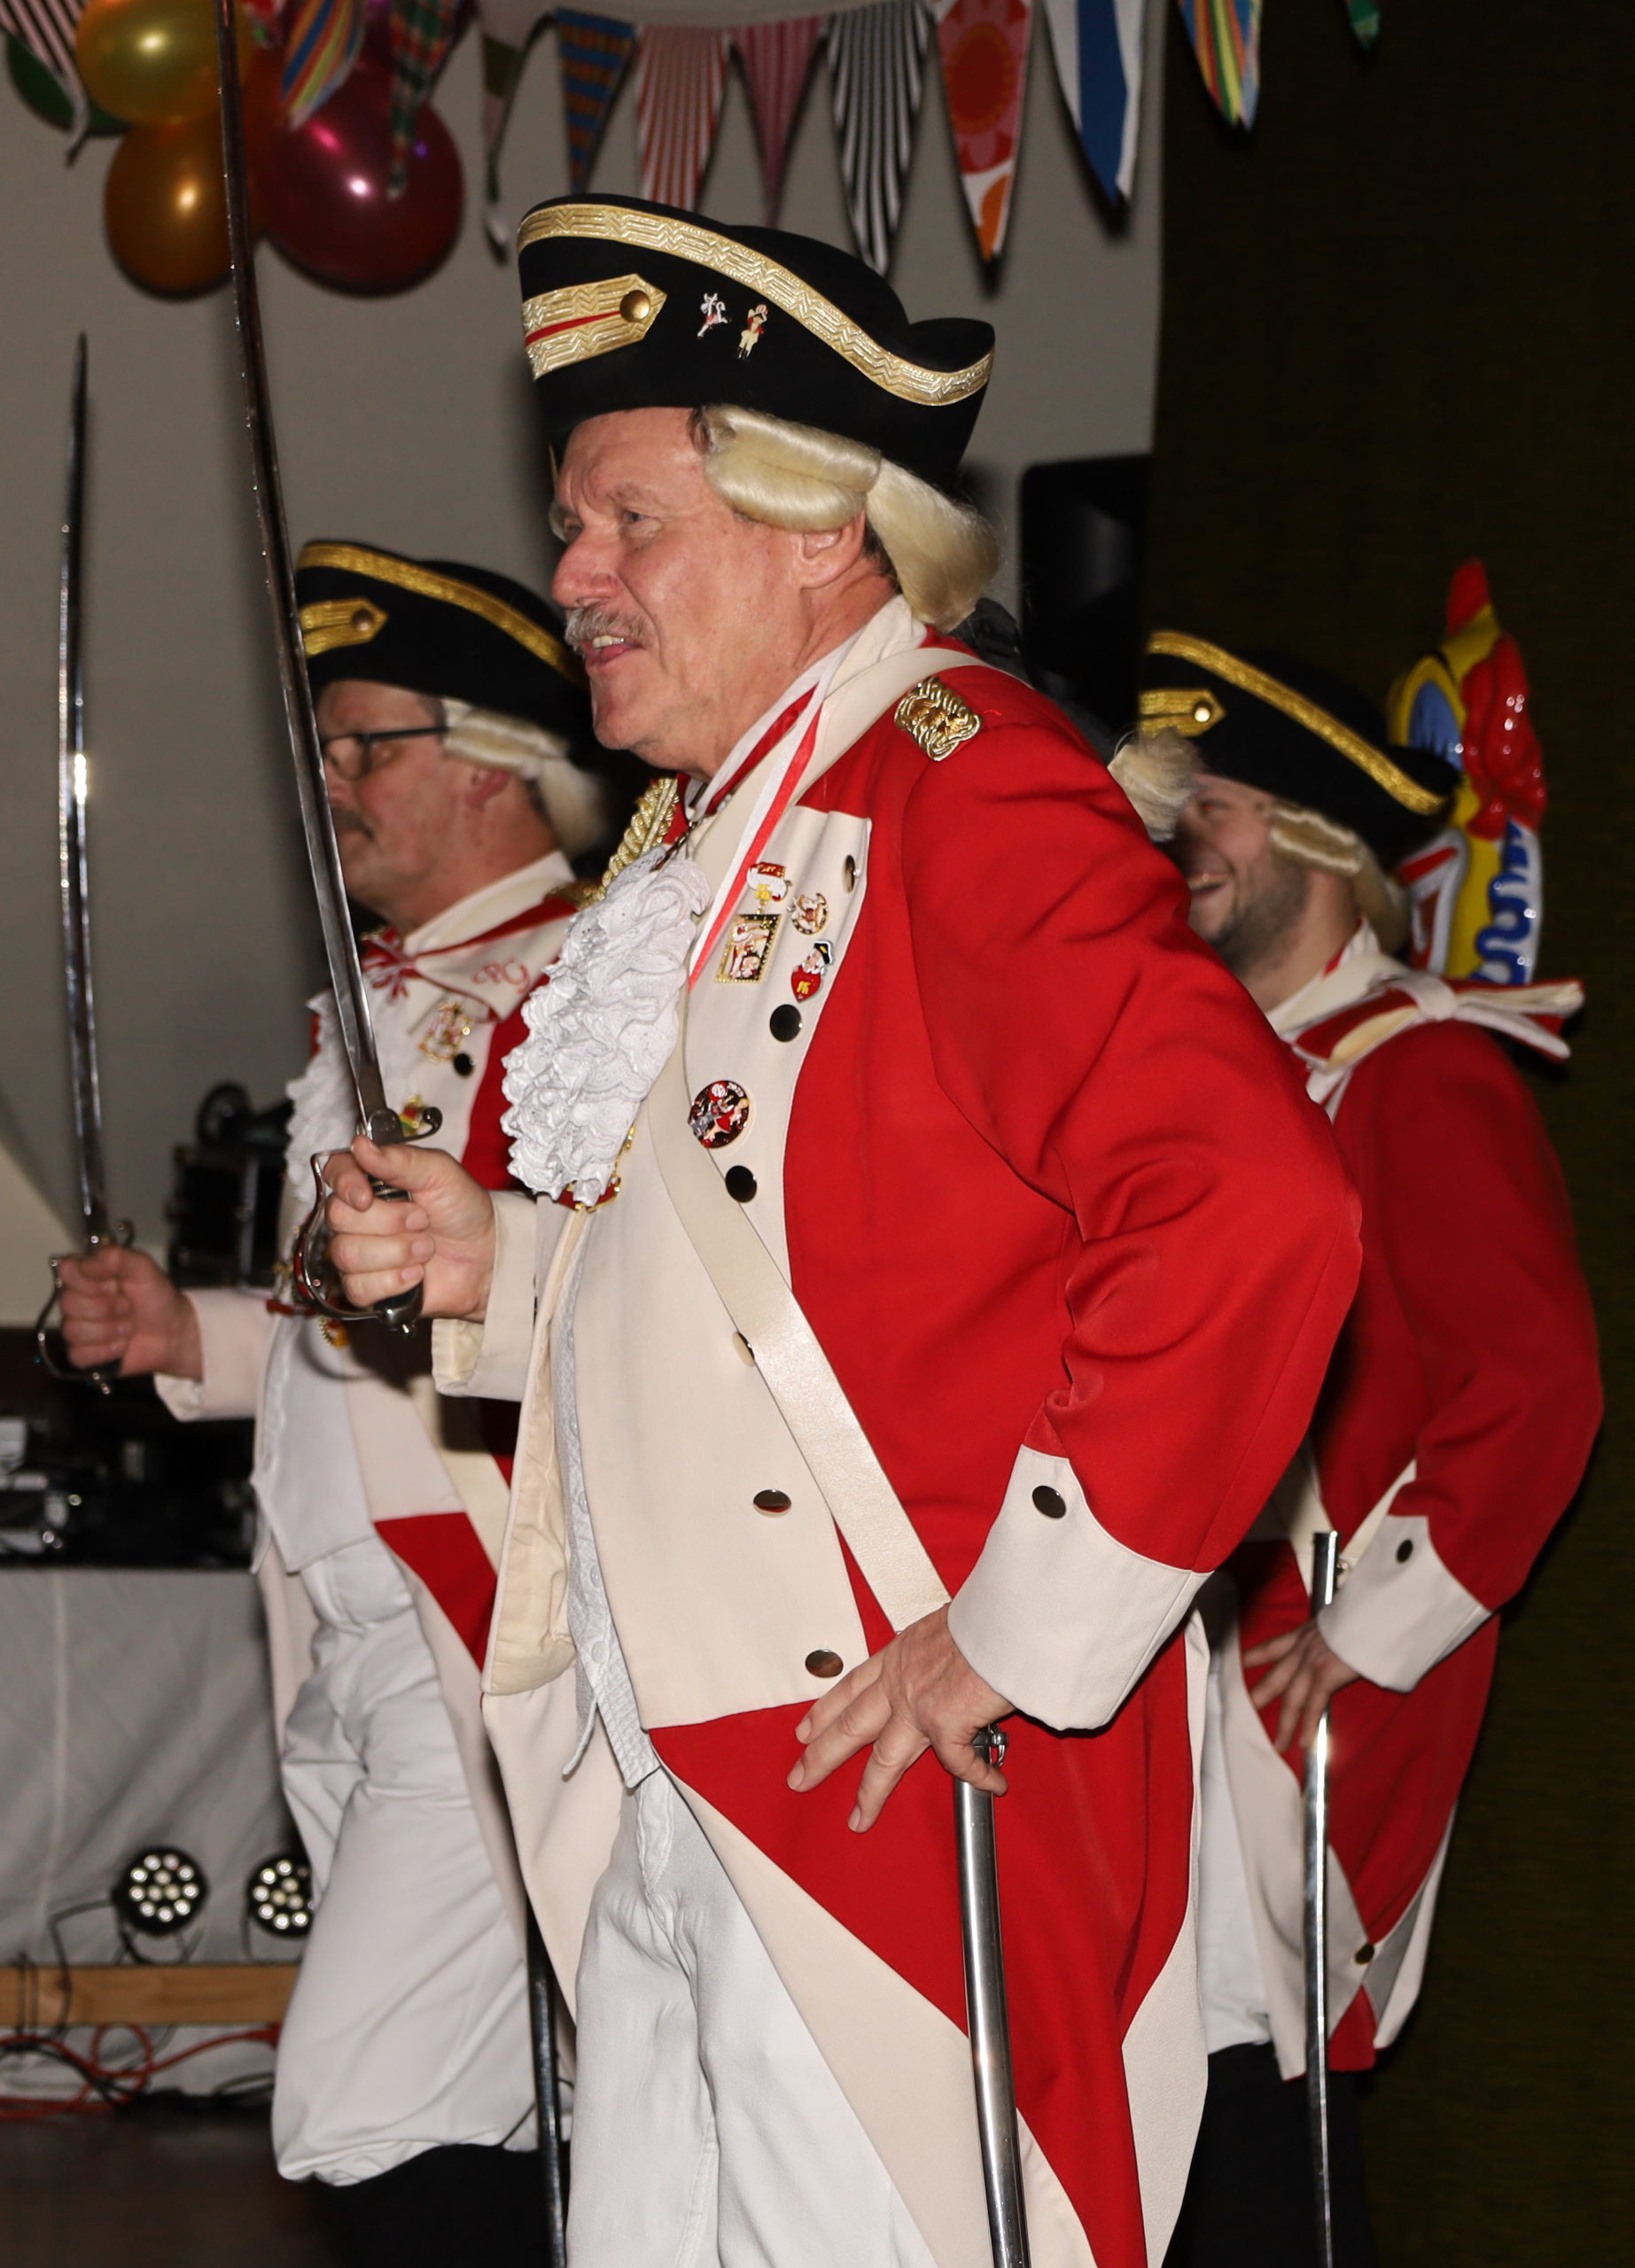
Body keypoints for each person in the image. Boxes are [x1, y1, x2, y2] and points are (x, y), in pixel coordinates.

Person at [323, 196, 1362, 2268]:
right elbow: (776, 1260)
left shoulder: (963, 780)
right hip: (686, 1768)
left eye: (627, 521)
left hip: (883, 1781)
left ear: (818, 531)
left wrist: (1020, 1630)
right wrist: (500, 1268)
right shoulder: (717, 829)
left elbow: (1252, 1202)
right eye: (571, 524)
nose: (571, 576)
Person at [57, 544, 605, 2265]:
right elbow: (348, 1315)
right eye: (330, 747)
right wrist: (190, 1334)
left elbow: (582, 1303)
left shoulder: (587, 992)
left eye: (371, 744)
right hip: (353, 1627)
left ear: (499, 760)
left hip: (485, 1630)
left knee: (366, 2100)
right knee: (506, 2096)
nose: (333, 783)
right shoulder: (384, 994)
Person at [1114, 635, 1602, 2266]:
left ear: (1319, 841)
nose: (1181, 839)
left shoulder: (1420, 1070)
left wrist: (1361, 1630)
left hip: (1274, 1690)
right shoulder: (1190, 1079)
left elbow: (1531, 1389)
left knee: (1246, 2120)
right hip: (1145, 1656)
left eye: (1217, 804)